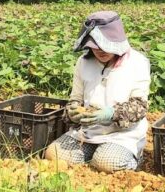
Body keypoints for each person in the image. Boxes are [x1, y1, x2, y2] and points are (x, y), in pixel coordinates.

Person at [44, 11, 151, 173]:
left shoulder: (137, 62)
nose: (100, 50)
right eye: (95, 46)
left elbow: (140, 107)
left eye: (105, 45)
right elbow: (75, 99)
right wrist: (73, 112)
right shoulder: (83, 62)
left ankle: (133, 158)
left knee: (107, 162)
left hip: (122, 135)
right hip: (87, 133)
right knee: (54, 154)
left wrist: (110, 114)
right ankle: (93, 157)